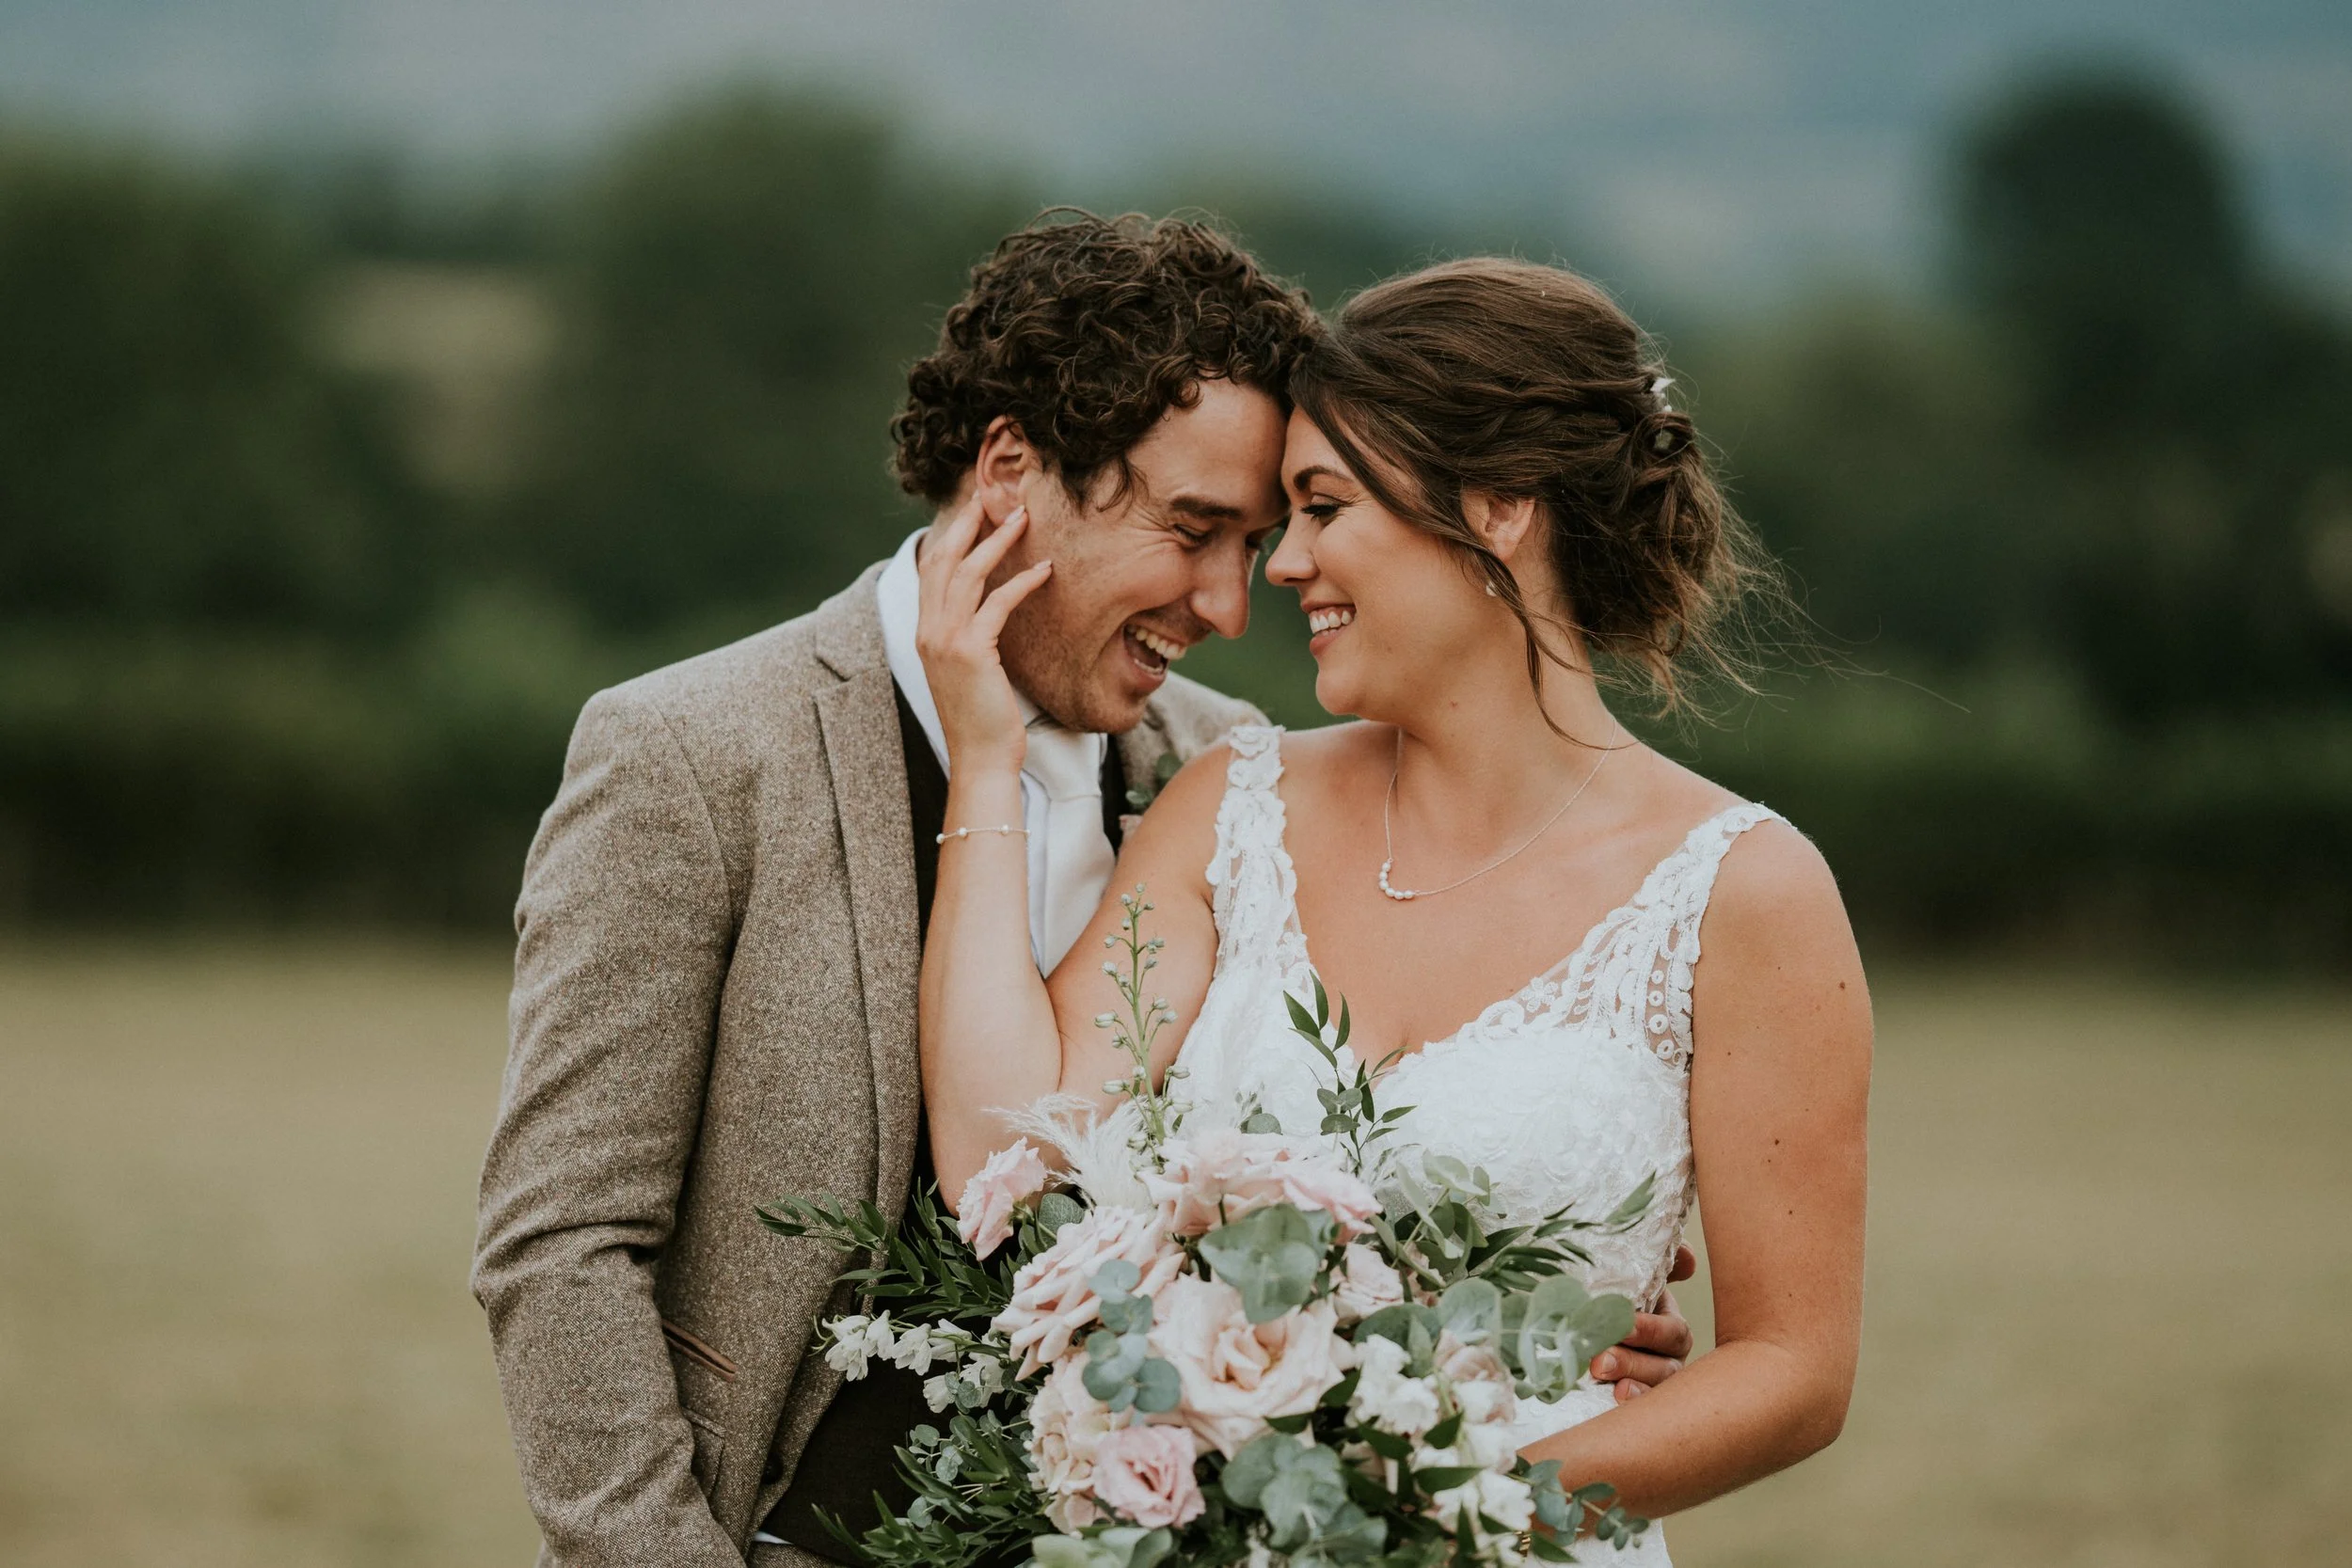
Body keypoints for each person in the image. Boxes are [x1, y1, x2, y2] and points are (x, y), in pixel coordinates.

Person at [471, 216, 1694, 1568]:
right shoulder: (694, 755)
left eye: (1265, 539)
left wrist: (1521, 1302)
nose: (1234, 603)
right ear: (1010, 471)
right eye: (1194, 529)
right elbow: (563, 1240)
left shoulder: (1229, 778)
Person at [916, 256, 1872, 1564]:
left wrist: (1419, 1517)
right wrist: (985, 759)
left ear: (1501, 504)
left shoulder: (1745, 890)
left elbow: (1791, 1368)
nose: (1283, 565)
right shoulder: (1228, 808)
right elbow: (1001, 1159)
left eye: (1321, 507)